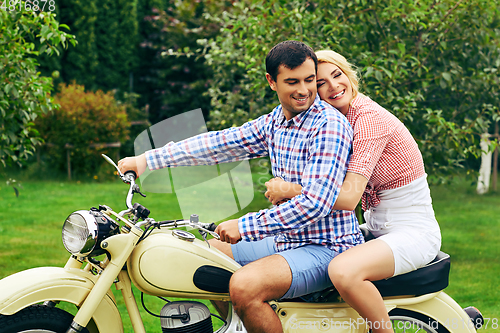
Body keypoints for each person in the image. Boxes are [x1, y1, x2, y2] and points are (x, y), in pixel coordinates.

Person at [118, 41, 364, 333]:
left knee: (245, 286)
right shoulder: (276, 122)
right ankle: (240, 327)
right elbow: (220, 144)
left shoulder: (328, 126)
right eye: (292, 82)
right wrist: (149, 159)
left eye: (310, 80)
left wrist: (246, 226)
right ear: (271, 82)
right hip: (286, 239)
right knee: (204, 257)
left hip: (326, 247)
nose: (304, 90)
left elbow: (315, 203)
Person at [264, 49, 441, 333]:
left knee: (343, 271)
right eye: (321, 82)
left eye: (338, 75)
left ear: (349, 75)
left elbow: (347, 198)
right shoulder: (336, 120)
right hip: (377, 226)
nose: (333, 86)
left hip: (413, 231)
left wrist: (291, 189)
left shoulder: (369, 120)